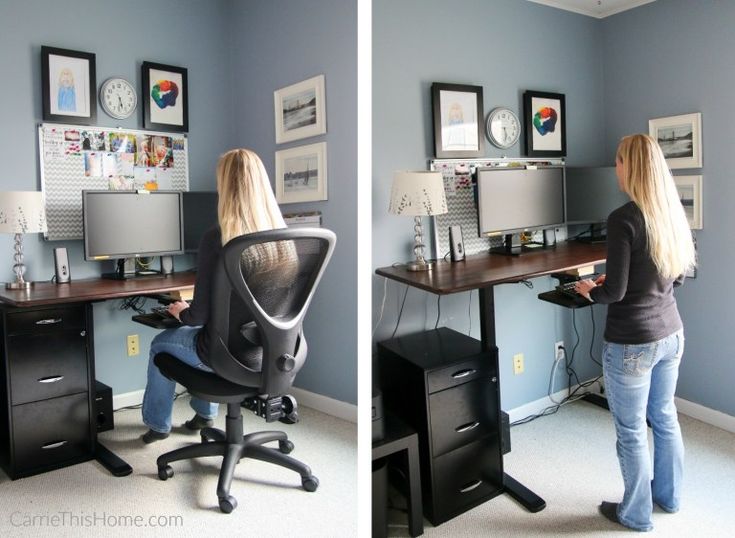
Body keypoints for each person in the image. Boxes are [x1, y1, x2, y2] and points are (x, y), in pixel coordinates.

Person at [574, 134, 696, 531]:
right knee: (664, 417)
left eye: (619, 161)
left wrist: (591, 290)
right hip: (671, 333)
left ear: (632, 167)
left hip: (632, 343)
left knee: (630, 430)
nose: (616, 168)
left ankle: (635, 514)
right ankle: (669, 497)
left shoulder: (623, 218)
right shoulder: (670, 212)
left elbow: (616, 293)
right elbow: (676, 275)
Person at [141, 148, 289, 443]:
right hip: (270, 354)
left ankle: (158, 425)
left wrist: (180, 310)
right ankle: (203, 415)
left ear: (226, 186)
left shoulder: (218, 238)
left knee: (160, 344)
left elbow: (199, 316)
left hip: (222, 355)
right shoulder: (281, 240)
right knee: (210, 334)